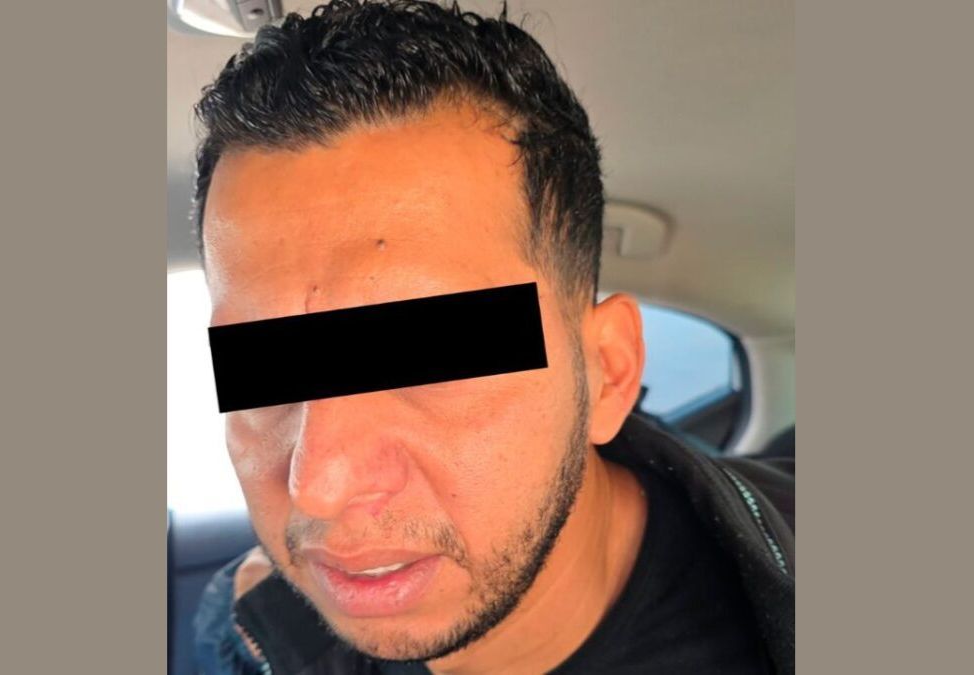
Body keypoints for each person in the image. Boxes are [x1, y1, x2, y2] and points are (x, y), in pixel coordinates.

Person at [190, 1, 794, 673]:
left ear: (608, 370)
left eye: (431, 356)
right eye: (266, 370)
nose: (320, 487)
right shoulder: (248, 623)